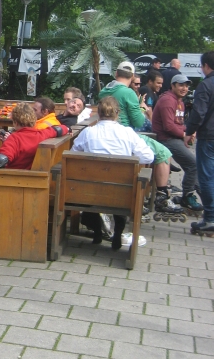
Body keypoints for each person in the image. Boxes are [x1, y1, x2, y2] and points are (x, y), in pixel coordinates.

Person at [99, 63, 182, 216]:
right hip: (125, 135)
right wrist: (142, 108)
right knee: (164, 153)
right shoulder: (128, 93)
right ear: (132, 77)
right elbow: (138, 122)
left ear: (116, 74)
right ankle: (161, 197)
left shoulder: (104, 91)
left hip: (105, 136)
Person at [72, 97, 154, 250]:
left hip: (89, 192)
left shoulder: (88, 132)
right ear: (117, 113)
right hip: (121, 193)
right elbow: (148, 156)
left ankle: (97, 231)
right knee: (120, 193)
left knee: (90, 191)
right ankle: (118, 232)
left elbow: (73, 155)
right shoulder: (128, 133)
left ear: (98, 113)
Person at [152, 75, 202, 213]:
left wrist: (189, 132)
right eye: (181, 85)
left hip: (174, 138)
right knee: (193, 164)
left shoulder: (179, 101)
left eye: (186, 85)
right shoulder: (168, 100)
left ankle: (201, 195)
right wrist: (185, 135)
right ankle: (187, 197)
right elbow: (168, 127)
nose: (184, 88)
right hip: (165, 139)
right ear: (172, 86)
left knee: (193, 166)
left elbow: (179, 124)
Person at [0, 103, 69, 170]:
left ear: (15, 122)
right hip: (31, 175)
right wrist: (68, 129)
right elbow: (58, 129)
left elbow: (1, 160)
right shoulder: (42, 134)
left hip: (12, 177)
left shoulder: (14, 138)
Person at [184, 51, 214, 233]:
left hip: (209, 137)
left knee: (207, 177)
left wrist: (189, 132)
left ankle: (210, 218)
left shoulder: (206, 85)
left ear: (206, 66)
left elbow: (199, 113)